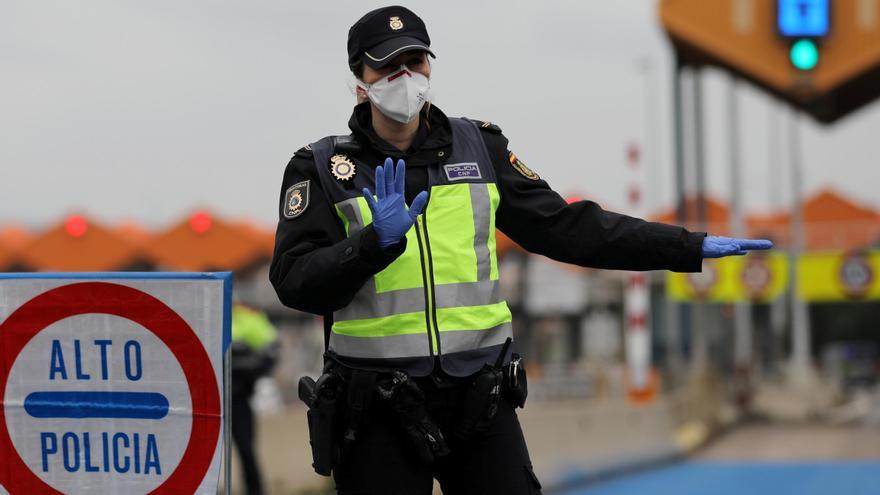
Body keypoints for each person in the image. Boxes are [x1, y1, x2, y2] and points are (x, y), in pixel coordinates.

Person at [269, 6, 772, 494]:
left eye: (415, 61)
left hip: (478, 399)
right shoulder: (322, 167)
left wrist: (686, 246)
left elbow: (569, 228)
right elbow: (293, 282)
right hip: (374, 408)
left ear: (429, 67)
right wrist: (370, 245)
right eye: (387, 65)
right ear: (360, 78)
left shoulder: (479, 149)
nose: (404, 75)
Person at [230, 303, 279, 495]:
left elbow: (271, 352)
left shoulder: (248, 318)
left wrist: (243, 376)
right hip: (213, 398)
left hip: (237, 398)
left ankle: (255, 491)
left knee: (246, 451)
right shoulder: (201, 316)